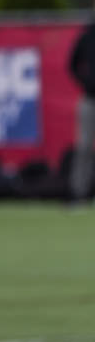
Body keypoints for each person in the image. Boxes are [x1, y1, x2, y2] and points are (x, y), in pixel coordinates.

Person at [71, 13, 95, 207]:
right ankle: (79, 193)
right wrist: (86, 82)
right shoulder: (87, 34)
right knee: (84, 147)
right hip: (89, 99)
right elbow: (72, 64)